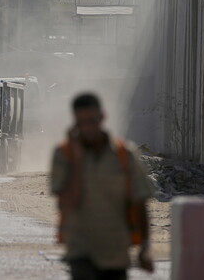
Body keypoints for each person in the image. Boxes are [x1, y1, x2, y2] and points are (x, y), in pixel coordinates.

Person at [50, 93, 154, 280]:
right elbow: (68, 202)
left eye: (92, 120)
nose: (88, 127)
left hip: (116, 251)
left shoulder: (125, 154)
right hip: (81, 251)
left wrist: (145, 247)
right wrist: (78, 159)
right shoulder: (64, 155)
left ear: (102, 117)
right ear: (75, 122)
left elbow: (139, 202)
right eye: (82, 122)